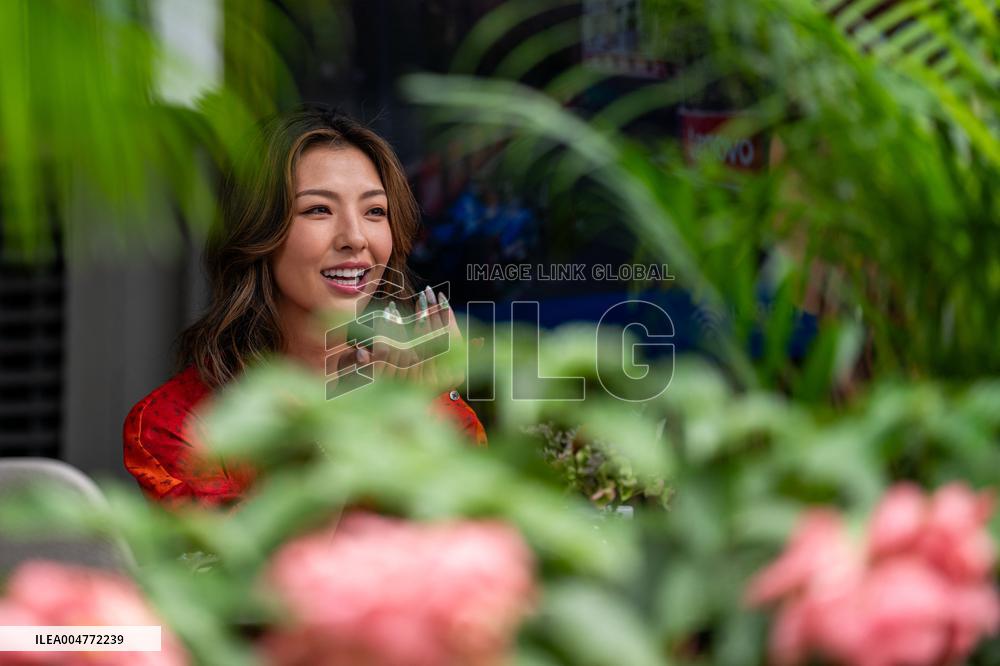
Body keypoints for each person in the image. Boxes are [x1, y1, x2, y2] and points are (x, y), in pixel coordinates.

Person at [123, 106, 486, 507]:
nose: (355, 238)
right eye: (318, 210)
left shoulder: (421, 395)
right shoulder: (182, 424)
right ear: (260, 232)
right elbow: (247, 567)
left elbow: (475, 552)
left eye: (374, 212)